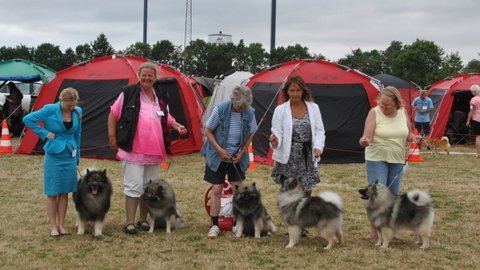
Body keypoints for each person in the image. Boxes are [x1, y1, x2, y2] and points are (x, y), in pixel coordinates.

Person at [108, 62, 187, 235]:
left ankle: (143, 220)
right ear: (139, 75)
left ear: (155, 78)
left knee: (148, 187)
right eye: (144, 75)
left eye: (150, 75)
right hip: (133, 149)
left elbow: (167, 117)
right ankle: (129, 222)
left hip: (155, 150)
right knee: (133, 186)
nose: (147, 78)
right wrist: (112, 137)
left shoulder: (160, 95)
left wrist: (176, 126)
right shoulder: (128, 93)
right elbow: (114, 114)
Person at [23, 87, 82, 237]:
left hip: (70, 154)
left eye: (73, 105)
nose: (71, 108)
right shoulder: (49, 109)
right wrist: (44, 133)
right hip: (54, 155)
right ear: (61, 100)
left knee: (64, 192)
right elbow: (28, 119)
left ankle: (62, 225)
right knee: (52, 192)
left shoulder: (78, 111)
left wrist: (77, 156)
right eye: (69, 105)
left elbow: (77, 134)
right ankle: (53, 227)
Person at [201, 85, 257, 239]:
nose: (241, 109)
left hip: (236, 157)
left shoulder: (250, 113)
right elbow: (208, 130)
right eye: (239, 106)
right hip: (217, 154)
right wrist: (219, 150)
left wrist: (242, 151)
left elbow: (251, 133)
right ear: (233, 100)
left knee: (239, 191)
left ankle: (237, 224)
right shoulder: (221, 109)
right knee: (217, 189)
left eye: (244, 106)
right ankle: (214, 225)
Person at [270, 75, 325, 196]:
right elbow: (276, 131)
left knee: (307, 190)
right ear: (287, 92)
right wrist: (275, 141)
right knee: (289, 190)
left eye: (298, 90)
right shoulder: (280, 110)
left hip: (307, 155)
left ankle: (304, 213)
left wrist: (318, 147)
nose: (295, 94)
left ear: (303, 91)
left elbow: (320, 130)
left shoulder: (314, 108)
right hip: (288, 157)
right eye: (292, 90)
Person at [466, 84, 480, 158]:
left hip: (477, 119)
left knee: (478, 137)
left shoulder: (473, 99)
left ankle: (478, 154)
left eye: (472, 92)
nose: (471, 93)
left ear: (474, 92)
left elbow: (471, 110)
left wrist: (468, 120)